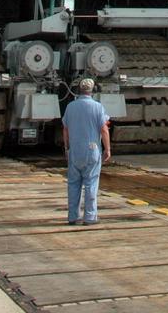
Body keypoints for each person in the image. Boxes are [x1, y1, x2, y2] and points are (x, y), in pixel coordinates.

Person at [62, 78, 111, 225]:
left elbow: (65, 129)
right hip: (92, 150)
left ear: (79, 90)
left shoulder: (70, 107)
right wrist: (107, 149)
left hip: (75, 151)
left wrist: (66, 148)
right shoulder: (97, 107)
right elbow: (103, 129)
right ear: (92, 90)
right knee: (91, 183)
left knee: (73, 184)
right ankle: (89, 217)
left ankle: (72, 217)